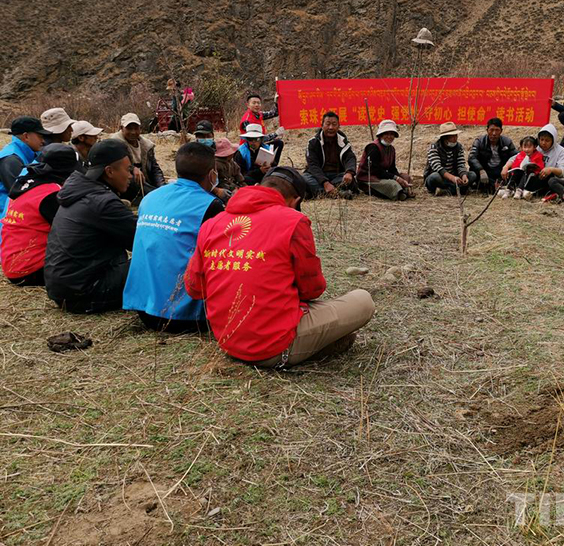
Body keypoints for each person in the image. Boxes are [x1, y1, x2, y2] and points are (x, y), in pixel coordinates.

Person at [184, 166, 375, 367]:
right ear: (295, 201)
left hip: (227, 340)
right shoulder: (293, 221)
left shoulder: (212, 224)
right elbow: (312, 290)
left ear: (257, 186)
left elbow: (195, 289)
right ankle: (311, 348)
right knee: (364, 300)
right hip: (273, 347)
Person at [123, 143, 225, 333]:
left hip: (144, 310)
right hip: (185, 316)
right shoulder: (210, 205)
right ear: (212, 174)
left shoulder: (150, 198)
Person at [44, 139, 138, 313]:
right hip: (84, 293)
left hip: (62, 289)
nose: (131, 176)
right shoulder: (102, 202)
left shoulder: (79, 190)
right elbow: (140, 240)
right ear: (109, 171)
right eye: (128, 169)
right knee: (151, 261)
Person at [1, 145, 81, 286]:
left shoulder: (26, 183)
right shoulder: (52, 194)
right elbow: (75, 232)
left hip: (12, 266)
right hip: (31, 271)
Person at [0, 117, 49, 219]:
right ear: (26, 136)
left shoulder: (25, 153)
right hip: (8, 219)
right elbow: (21, 193)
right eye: (40, 136)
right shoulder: (11, 159)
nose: (43, 141)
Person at [113, 113, 166, 204]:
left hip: (145, 184)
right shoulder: (114, 144)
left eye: (136, 128)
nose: (133, 132)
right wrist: (132, 168)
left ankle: (158, 195)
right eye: (129, 128)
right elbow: (116, 167)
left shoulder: (147, 145)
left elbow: (154, 169)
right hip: (126, 185)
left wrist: (162, 187)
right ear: (121, 128)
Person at [303, 111, 358, 199]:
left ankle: (318, 193)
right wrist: (325, 183)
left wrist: (349, 172)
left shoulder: (344, 142)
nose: (331, 127)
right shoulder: (313, 143)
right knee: (305, 179)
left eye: (334, 124)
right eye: (328, 124)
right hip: (318, 176)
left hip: (336, 175)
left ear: (339, 126)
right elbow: (313, 166)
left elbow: (350, 158)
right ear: (322, 125)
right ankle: (338, 193)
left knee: (350, 181)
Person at [356, 120, 412, 201]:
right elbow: (375, 170)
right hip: (368, 178)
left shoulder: (391, 149)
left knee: (406, 177)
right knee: (393, 185)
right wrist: (396, 178)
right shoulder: (373, 147)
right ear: (381, 135)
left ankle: (404, 191)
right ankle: (400, 193)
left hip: (382, 176)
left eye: (392, 134)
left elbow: (392, 168)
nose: (389, 137)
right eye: (386, 134)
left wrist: (400, 178)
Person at [423, 122, 475, 195]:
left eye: (456, 136)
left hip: (454, 176)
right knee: (434, 177)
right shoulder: (434, 148)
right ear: (445, 138)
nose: (455, 138)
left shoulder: (459, 147)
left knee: (472, 175)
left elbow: (460, 164)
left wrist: (464, 176)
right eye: (452, 136)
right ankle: (457, 189)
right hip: (441, 177)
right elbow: (437, 167)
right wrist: (452, 178)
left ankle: (446, 191)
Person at [468, 118, 518, 191]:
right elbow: (472, 158)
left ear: (501, 131)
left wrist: (506, 167)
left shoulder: (507, 141)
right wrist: (481, 170)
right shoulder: (479, 141)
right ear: (487, 130)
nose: (494, 133)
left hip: (501, 170)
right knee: (474, 173)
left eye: (497, 130)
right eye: (491, 130)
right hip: (486, 170)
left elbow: (516, 156)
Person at [239, 92, 284, 165]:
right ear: (248, 105)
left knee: (279, 143)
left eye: (258, 103)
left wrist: (277, 102)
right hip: (249, 147)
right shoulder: (247, 120)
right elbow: (257, 139)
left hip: (259, 144)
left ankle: (273, 167)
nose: (256, 105)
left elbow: (274, 113)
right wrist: (275, 134)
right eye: (254, 103)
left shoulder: (259, 114)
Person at [537, 124, 564, 203]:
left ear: (553, 140)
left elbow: (563, 172)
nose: (543, 143)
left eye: (547, 140)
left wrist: (551, 169)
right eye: (541, 140)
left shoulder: (561, 151)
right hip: (539, 178)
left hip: (556, 179)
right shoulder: (537, 149)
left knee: (552, 181)